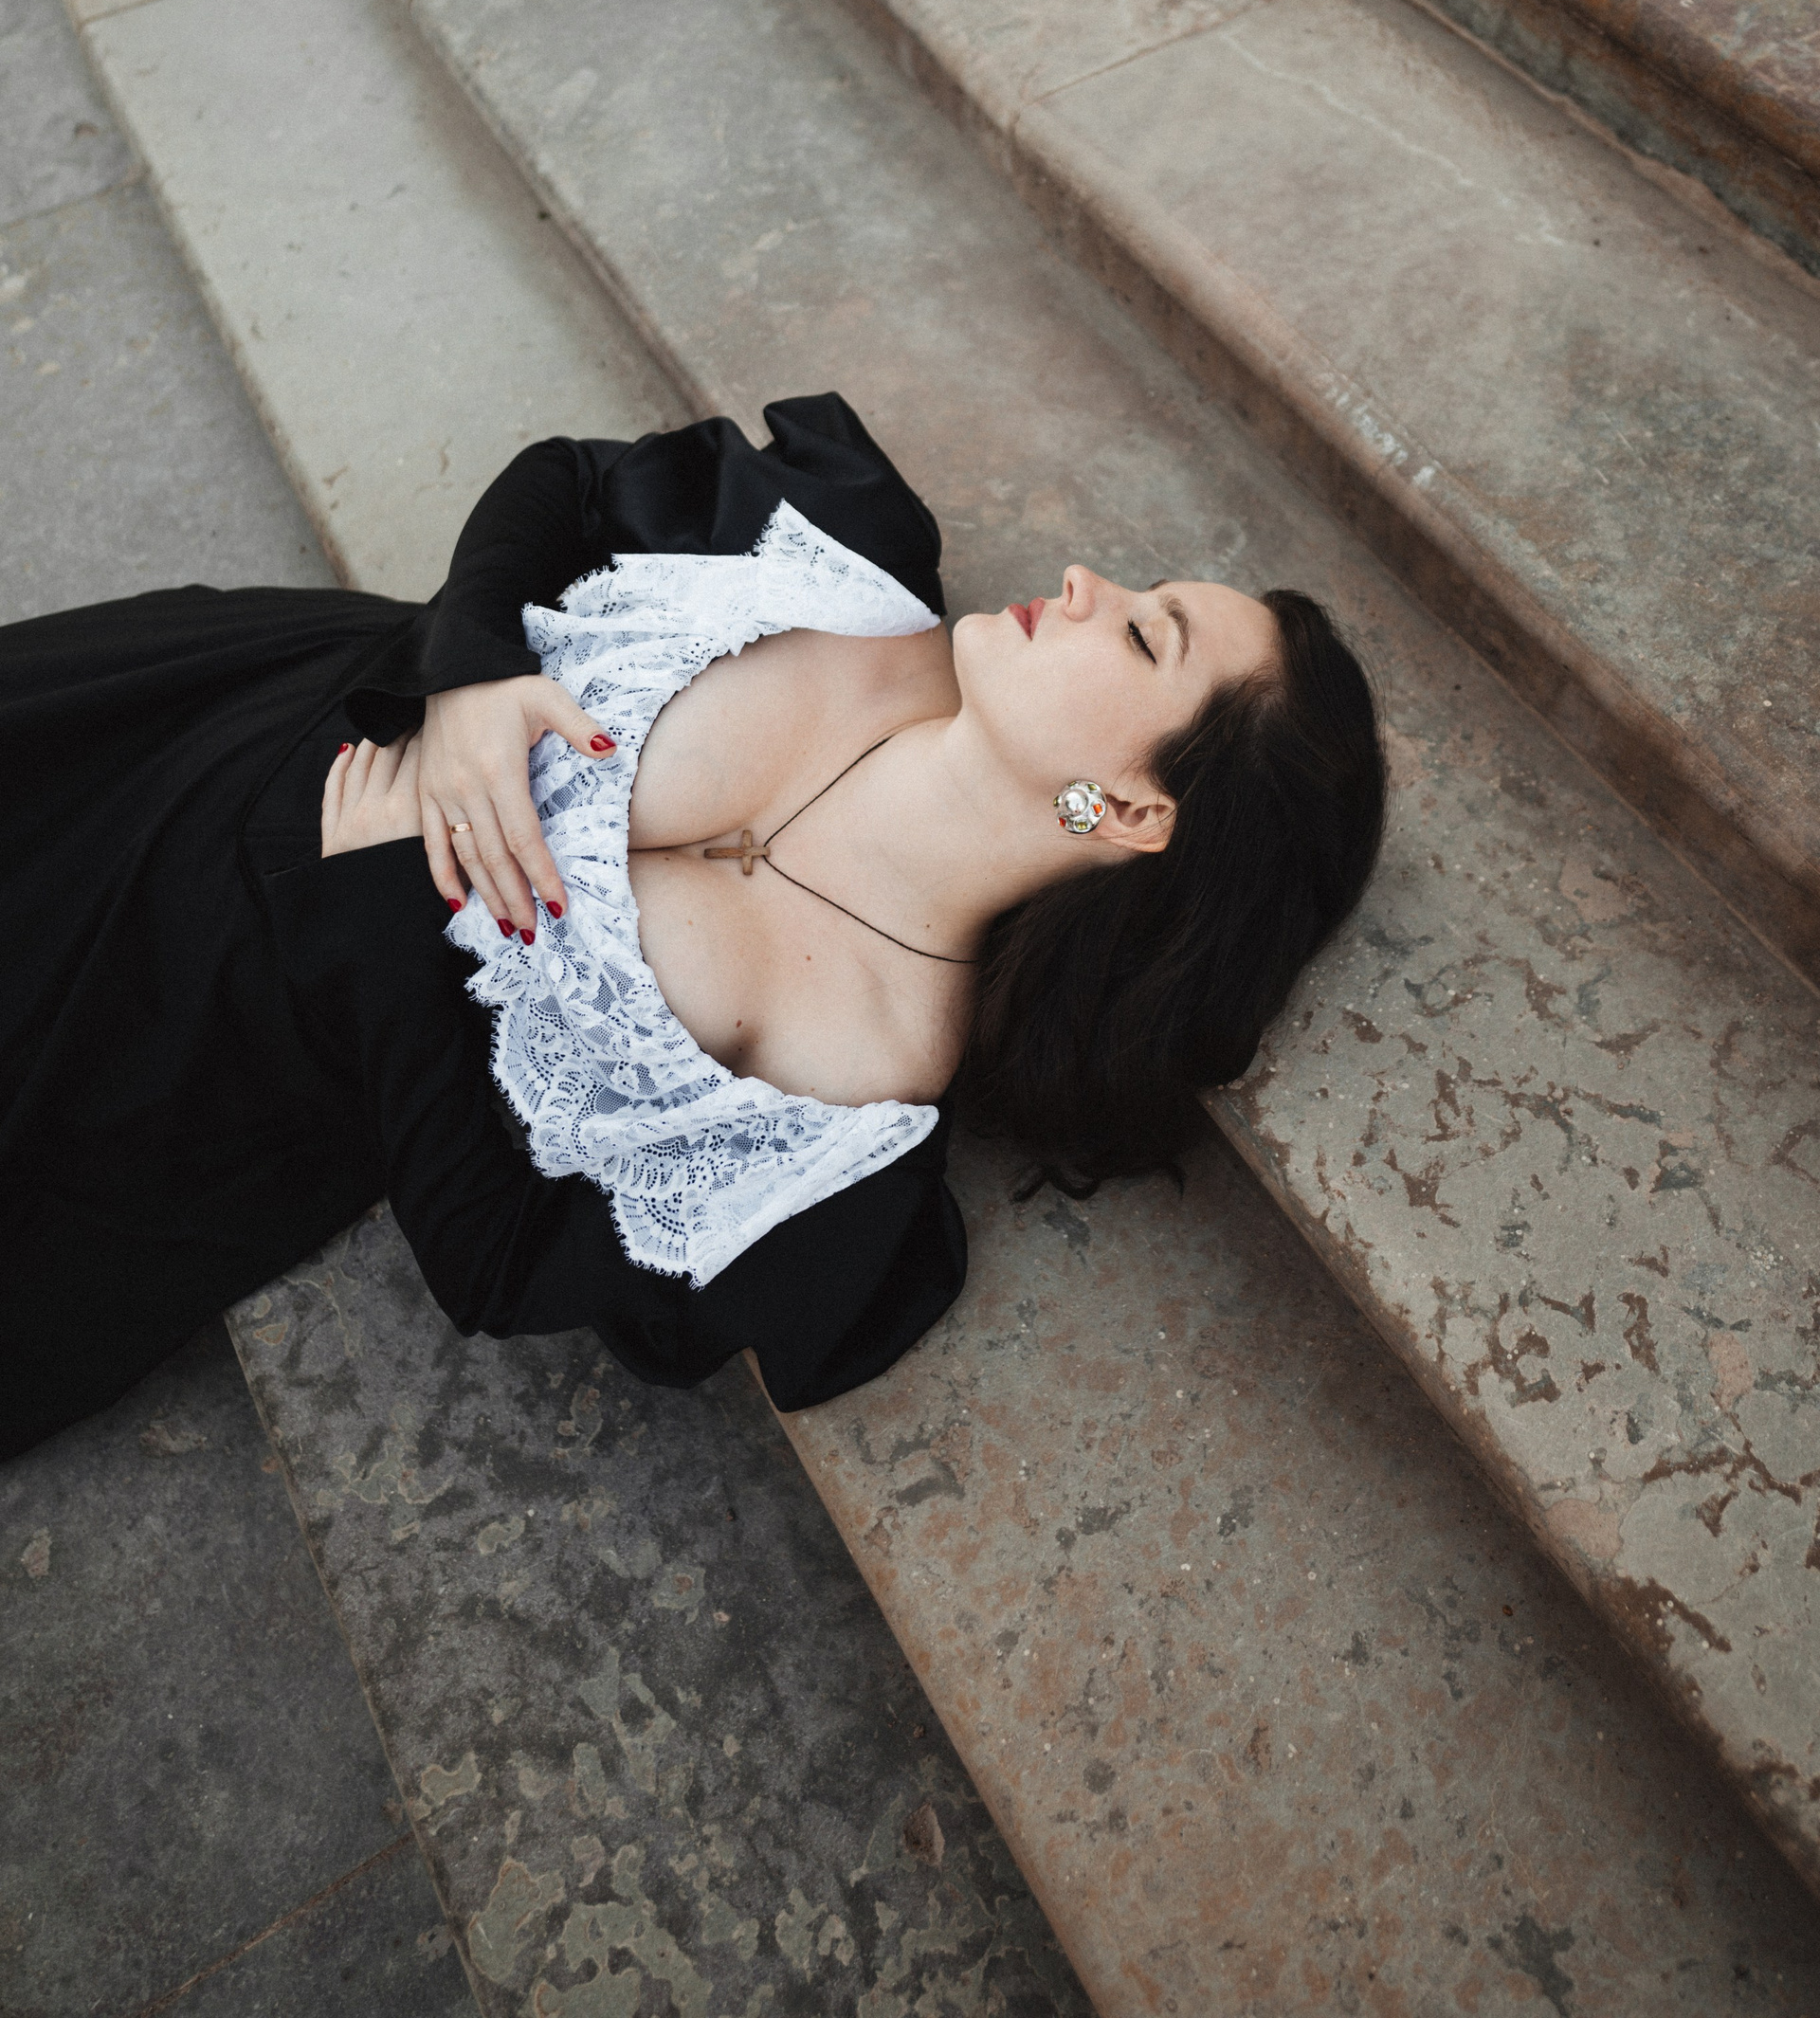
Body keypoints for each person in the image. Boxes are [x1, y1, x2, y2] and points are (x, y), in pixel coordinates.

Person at [0, 396, 1385, 1462]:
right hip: (201, 711)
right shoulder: (847, 563)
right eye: (1139, 591)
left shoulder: (848, 1115)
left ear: (1133, 812)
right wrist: (469, 673)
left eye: (1143, 635)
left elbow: (497, 1257)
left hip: (201, 1033)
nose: (1085, 581)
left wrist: (372, 921)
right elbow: (562, 481)